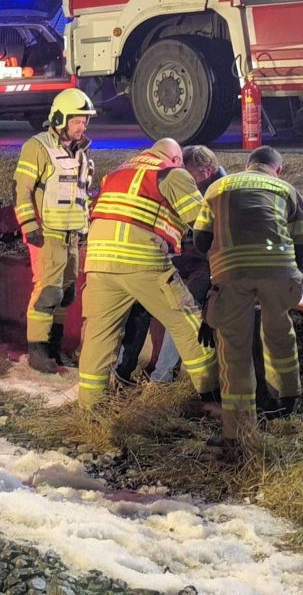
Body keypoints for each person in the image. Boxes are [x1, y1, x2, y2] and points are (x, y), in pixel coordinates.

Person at [77, 138, 219, 410]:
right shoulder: (171, 173)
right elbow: (203, 227)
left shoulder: (118, 172)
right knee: (186, 321)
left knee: (100, 335)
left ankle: (91, 409)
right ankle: (211, 397)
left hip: (98, 262)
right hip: (141, 260)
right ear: (176, 159)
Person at [194, 145, 303, 450]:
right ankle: (286, 405)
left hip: (231, 273)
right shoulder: (288, 190)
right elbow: (302, 245)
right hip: (279, 271)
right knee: (280, 333)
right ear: (277, 169)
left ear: (248, 165)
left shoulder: (218, 187)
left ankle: (237, 433)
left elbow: (201, 239)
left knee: (234, 350)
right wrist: (291, 280)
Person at [114, 145, 226, 384]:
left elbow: (217, 241)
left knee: (184, 305)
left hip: (208, 263)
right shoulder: (183, 184)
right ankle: (122, 372)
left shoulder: (222, 194)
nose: (183, 178)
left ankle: (162, 379)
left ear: (206, 171)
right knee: (141, 300)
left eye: (188, 173)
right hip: (182, 256)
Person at [13, 88, 95, 373]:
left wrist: (85, 227)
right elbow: (21, 190)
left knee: (66, 294)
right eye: (76, 121)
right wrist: (29, 226)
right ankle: (38, 352)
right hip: (47, 234)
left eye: (84, 121)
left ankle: (54, 348)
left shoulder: (81, 152)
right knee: (48, 292)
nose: (82, 127)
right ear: (60, 119)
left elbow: (82, 193)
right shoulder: (37, 147)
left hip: (72, 234)